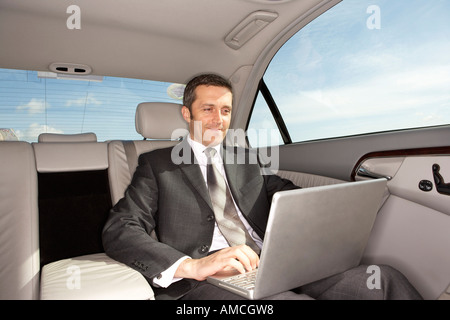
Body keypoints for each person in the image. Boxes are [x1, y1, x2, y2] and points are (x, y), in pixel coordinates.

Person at [102, 73, 422, 300]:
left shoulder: (246, 158)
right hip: (209, 279)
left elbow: (283, 192)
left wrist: (327, 210)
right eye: (207, 108)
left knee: (381, 279)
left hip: (275, 262)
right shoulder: (157, 164)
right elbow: (121, 228)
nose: (218, 119)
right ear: (187, 113)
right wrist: (194, 265)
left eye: (225, 110)